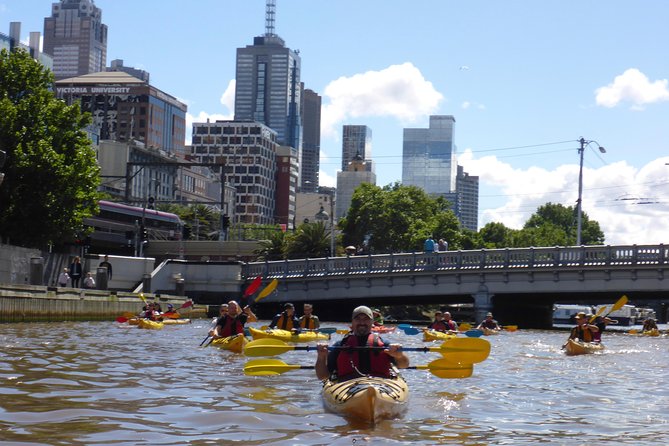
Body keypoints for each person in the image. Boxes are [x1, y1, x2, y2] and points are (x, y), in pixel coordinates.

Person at [315, 305, 410, 381]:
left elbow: (404, 365)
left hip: (380, 385)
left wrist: (400, 356)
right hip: (348, 386)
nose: (362, 322)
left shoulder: (384, 344)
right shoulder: (340, 345)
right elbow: (322, 376)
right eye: (358, 319)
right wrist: (321, 357)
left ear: (372, 322)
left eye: (366, 319)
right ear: (352, 322)